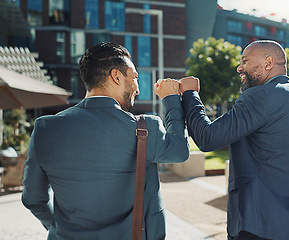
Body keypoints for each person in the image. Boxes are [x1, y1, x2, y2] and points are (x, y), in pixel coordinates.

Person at [21, 42, 189, 239]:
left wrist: (57, 228)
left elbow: (33, 199)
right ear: (116, 76)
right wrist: (171, 99)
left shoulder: (45, 129)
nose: (138, 88)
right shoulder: (144, 129)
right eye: (134, 78)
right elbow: (180, 150)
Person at [178, 40, 289, 239]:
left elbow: (207, 138)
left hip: (261, 227)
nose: (239, 68)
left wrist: (190, 94)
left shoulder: (259, 96)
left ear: (268, 62)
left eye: (245, 61)